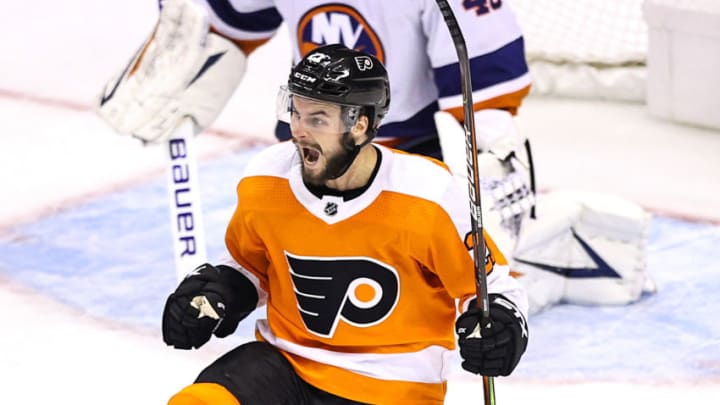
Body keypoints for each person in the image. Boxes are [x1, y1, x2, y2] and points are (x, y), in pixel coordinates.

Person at [161, 44, 529, 405]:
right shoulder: (266, 178)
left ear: (360, 126)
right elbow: (252, 266)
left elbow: (493, 284)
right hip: (283, 366)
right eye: (296, 113)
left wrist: (501, 323)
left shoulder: (426, 194)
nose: (300, 131)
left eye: (317, 119)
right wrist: (219, 291)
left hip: (391, 386)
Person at [97, 0, 535, 239]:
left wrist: (482, 204)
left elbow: (485, 105)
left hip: (412, 166)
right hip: (309, 151)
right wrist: (185, 55)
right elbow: (219, 21)